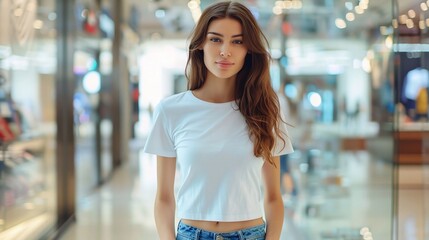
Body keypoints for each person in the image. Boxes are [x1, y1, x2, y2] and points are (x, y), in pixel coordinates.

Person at [143, 1, 293, 239]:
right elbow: (163, 197)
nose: (225, 51)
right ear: (200, 44)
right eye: (215, 39)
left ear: (249, 50)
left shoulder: (266, 111)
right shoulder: (171, 110)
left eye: (237, 41)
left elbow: (274, 197)